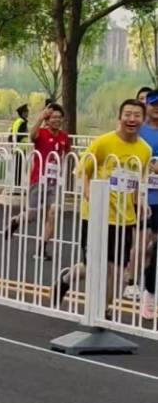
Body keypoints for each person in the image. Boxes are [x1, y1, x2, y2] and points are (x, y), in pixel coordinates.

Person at [54, 99, 150, 310]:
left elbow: (138, 181)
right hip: (96, 214)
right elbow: (82, 170)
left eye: (136, 115)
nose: (131, 119)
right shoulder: (103, 143)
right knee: (93, 266)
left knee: (116, 269)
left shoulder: (145, 150)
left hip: (124, 218)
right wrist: (87, 190)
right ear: (119, 117)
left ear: (143, 119)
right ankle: (66, 279)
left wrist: (139, 204)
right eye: (127, 114)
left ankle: (103, 310)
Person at [10, 103, 70, 259]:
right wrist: (39, 118)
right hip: (38, 179)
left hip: (54, 182)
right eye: (53, 117)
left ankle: (41, 249)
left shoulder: (64, 137)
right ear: (47, 119)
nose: (56, 120)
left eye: (59, 117)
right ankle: (16, 221)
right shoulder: (41, 133)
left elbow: (67, 154)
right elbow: (32, 136)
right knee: (32, 215)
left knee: (53, 212)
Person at [136, 90, 158, 319]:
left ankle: (149, 293)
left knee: (154, 246)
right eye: (153, 104)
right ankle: (129, 281)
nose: (157, 108)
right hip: (140, 197)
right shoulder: (138, 131)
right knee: (142, 246)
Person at [9, 102, 30, 189]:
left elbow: (11, 134)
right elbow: (19, 134)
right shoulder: (22, 122)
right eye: (26, 112)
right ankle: (18, 186)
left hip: (16, 147)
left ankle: (17, 185)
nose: (28, 113)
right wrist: (26, 134)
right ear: (23, 113)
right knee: (19, 168)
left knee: (17, 167)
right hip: (20, 148)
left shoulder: (17, 121)